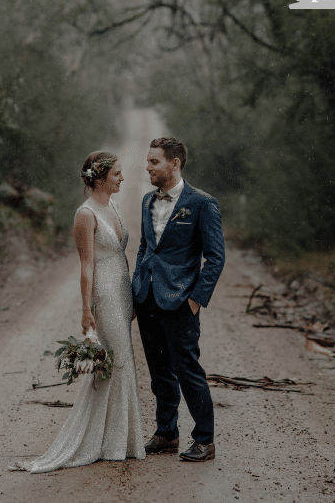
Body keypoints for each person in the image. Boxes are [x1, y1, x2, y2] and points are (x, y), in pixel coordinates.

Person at [10, 151, 146, 473]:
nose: (122, 179)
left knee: (123, 362)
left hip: (122, 291)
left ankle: (120, 441)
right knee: (115, 363)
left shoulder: (111, 205)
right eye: (116, 174)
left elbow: (121, 253)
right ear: (99, 178)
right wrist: (87, 309)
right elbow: (86, 265)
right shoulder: (85, 214)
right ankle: (103, 444)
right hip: (105, 293)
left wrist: (132, 297)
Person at [132, 137, 226, 462]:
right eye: (148, 161)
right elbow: (145, 247)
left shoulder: (202, 203)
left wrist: (196, 300)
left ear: (175, 163)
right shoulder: (147, 201)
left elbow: (215, 258)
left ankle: (204, 440)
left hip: (181, 302)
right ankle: (166, 433)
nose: (148, 167)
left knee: (188, 369)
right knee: (159, 372)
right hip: (148, 300)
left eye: (154, 162)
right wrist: (136, 289)